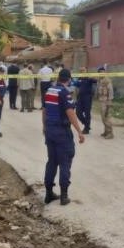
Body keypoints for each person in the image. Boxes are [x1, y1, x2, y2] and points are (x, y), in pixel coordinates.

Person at [42, 68, 85, 205]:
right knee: (65, 161)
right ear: (68, 79)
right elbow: (70, 112)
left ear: (58, 78)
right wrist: (79, 131)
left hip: (49, 130)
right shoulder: (65, 93)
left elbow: (44, 110)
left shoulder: (49, 90)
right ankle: (64, 196)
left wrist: (44, 126)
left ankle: (49, 194)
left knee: (52, 161)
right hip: (61, 132)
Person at [76, 66, 97, 134]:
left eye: (83, 70)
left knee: (87, 113)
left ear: (86, 71)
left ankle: (86, 129)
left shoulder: (89, 78)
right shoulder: (79, 78)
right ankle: (86, 125)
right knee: (78, 112)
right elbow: (77, 85)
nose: (82, 71)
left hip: (87, 97)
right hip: (80, 97)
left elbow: (95, 80)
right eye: (81, 71)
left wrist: (93, 77)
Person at [96, 65, 114, 139]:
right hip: (101, 100)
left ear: (104, 72)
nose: (101, 73)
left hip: (106, 100)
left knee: (106, 117)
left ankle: (110, 133)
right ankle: (106, 131)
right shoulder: (99, 80)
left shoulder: (107, 80)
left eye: (102, 72)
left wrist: (109, 101)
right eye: (100, 72)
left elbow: (111, 91)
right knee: (103, 117)